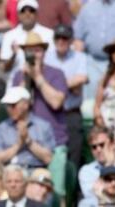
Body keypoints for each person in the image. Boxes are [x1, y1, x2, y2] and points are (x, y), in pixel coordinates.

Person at [73, 0, 115, 100]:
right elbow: (78, 40)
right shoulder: (87, 7)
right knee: (91, 100)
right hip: (92, 63)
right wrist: (76, 69)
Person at [11, 32, 68, 146]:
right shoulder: (19, 76)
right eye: (29, 51)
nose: (34, 55)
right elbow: (15, 110)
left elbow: (56, 103)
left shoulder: (56, 74)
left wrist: (37, 76)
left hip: (54, 138)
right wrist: (26, 78)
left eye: (37, 50)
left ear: (44, 53)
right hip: (27, 140)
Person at [45, 24, 88, 167]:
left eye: (65, 38)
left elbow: (82, 78)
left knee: (74, 154)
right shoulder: (47, 57)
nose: (61, 41)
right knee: (53, 153)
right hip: (52, 113)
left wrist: (56, 87)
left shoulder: (80, 57)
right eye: (58, 37)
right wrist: (69, 85)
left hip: (71, 112)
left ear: (71, 40)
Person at [0, 86, 55, 169]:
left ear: (26, 104)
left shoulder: (43, 126)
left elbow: (48, 158)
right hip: (9, 171)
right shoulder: (1, 128)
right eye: (7, 105)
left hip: (35, 170)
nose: (9, 109)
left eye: (13, 105)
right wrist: (18, 144)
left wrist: (28, 140)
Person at [0, 0, 54, 78]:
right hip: (16, 83)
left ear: (37, 13)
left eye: (31, 10)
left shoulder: (49, 34)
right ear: (18, 14)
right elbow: (4, 68)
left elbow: (53, 61)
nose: (27, 14)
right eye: (23, 11)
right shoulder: (9, 36)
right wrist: (13, 55)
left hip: (44, 80)